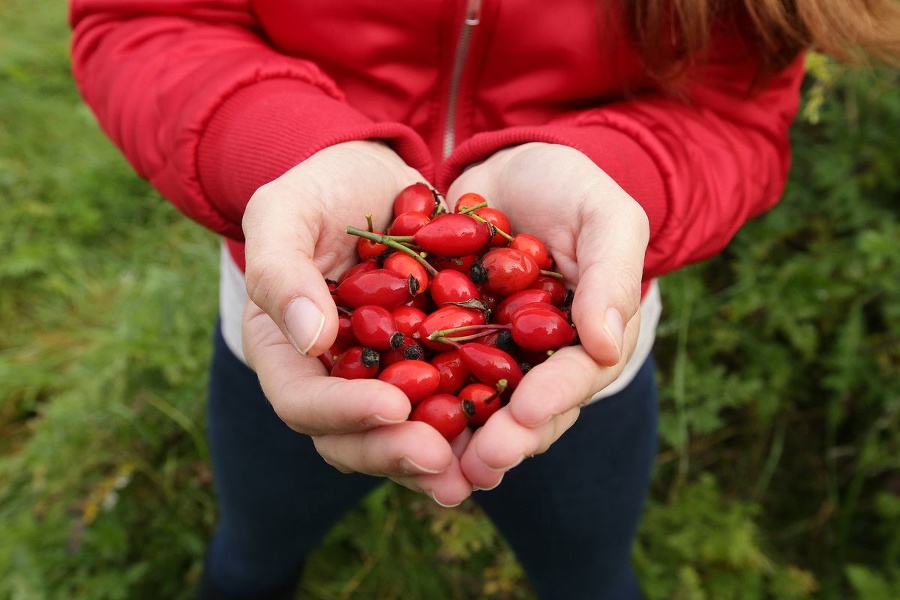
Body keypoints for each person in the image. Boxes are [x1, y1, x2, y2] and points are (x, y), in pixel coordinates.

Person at [68, 1, 900, 598]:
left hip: (585, 344)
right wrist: (278, 148)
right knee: (251, 556)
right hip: (292, 316)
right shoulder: (411, 302)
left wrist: (622, 182)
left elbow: (734, 110)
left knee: (587, 573)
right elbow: (142, 17)